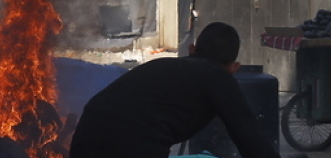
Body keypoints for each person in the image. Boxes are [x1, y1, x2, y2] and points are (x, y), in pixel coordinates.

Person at [68, 21, 280, 158]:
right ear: (234, 68)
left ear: (192, 49)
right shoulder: (219, 77)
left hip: (86, 134)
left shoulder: (162, 65)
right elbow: (250, 138)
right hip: (134, 146)